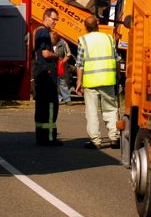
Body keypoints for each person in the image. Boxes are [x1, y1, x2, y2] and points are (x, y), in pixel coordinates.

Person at [75, 15, 119, 149]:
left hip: (91, 82)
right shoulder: (109, 38)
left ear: (85, 27)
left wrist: (79, 82)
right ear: (98, 24)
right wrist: (117, 77)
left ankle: (96, 141)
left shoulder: (83, 40)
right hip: (108, 79)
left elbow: (80, 64)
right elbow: (117, 59)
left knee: (92, 112)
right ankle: (114, 137)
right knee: (110, 109)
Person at [33, 8, 62, 146]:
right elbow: (45, 53)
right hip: (46, 72)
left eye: (57, 20)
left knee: (41, 106)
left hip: (40, 71)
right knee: (51, 105)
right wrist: (57, 56)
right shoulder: (44, 32)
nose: (55, 22)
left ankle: (41, 137)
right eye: (54, 19)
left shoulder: (37, 31)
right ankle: (50, 138)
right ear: (46, 17)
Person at [50, 30, 73, 104]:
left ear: (56, 39)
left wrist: (62, 62)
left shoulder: (63, 43)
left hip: (60, 65)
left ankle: (67, 99)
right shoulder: (47, 43)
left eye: (52, 40)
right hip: (51, 65)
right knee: (53, 82)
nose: (51, 42)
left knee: (62, 83)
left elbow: (68, 54)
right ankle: (57, 99)